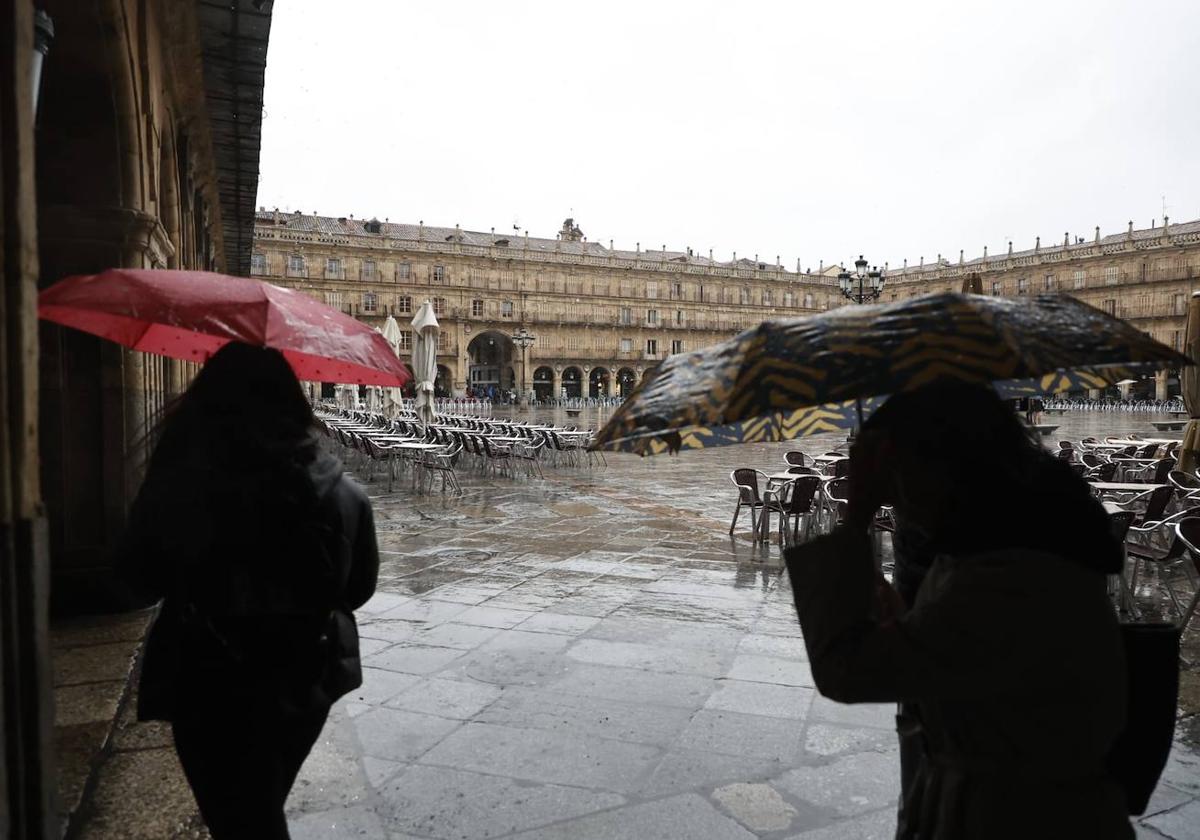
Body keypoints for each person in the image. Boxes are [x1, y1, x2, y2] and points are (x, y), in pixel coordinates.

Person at [785, 382, 1132, 840]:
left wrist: (857, 517)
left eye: (899, 470)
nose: (896, 496)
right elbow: (951, 650)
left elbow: (847, 671)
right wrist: (902, 611)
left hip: (1013, 818)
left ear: (945, 465)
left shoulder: (1008, 576)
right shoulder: (1014, 540)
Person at [119, 343, 379, 839]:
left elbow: (135, 580)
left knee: (239, 816)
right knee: (259, 802)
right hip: (306, 674)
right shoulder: (345, 494)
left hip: (207, 675)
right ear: (293, 402)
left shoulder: (184, 487)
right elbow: (359, 589)